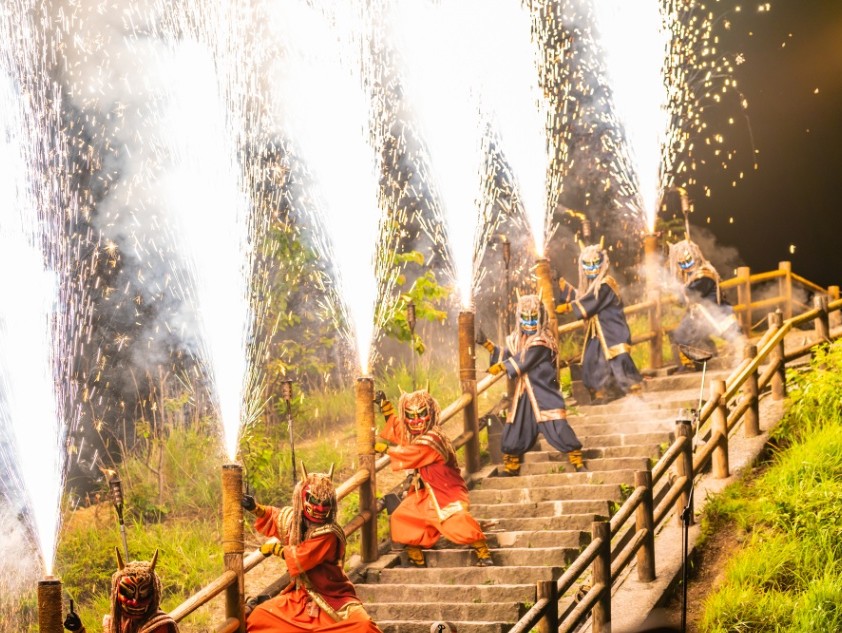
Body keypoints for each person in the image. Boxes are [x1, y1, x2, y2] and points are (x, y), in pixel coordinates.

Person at [242, 465, 382, 633]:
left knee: (363, 626)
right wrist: (255, 508)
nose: (320, 508)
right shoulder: (295, 521)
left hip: (333, 595)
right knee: (259, 617)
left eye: (326, 503)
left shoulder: (329, 534)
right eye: (315, 501)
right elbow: (276, 516)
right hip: (301, 596)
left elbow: (301, 557)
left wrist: (275, 549)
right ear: (302, 498)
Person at [373, 388, 494, 568]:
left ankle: (483, 552)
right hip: (426, 493)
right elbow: (402, 433)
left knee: (456, 520)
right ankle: (416, 556)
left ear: (430, 412)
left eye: (421, 414)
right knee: (403, 516)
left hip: (447, 492)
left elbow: (411, 453)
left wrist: (384, 449)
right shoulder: (419, 435)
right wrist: (386, 408)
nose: (416, 421)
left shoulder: (433, 438)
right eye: (410, 416)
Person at [477, 293, 585, 476]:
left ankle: (577, 460)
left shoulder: (543, 340)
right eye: (525, 318)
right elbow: (510, 354)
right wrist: (487, 344)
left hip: (543, 390)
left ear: (540, 316)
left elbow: (525, 358)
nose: (529, 323)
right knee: (515, 426)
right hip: (525, 392)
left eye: (533, 318)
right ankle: (511, 466)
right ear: (519, 317)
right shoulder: (518, 339)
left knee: (557, 423)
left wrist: (502, 366)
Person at [556, 239, 644, 403]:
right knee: (592, 360)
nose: (592, 269)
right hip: (597, 332)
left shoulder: (606, 283)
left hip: (613, 329)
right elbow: (584, 297)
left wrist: (569, 307)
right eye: (587, 266)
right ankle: (605, 392)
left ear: (602, 263)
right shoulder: (593, 286)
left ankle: (634, 390)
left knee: (619, 358)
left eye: (595, 264)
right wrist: (566, 289)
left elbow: (592, 301)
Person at [667, 238, 742, 371]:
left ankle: (740, 360)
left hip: (714, 312)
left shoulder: (705, 273)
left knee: (734, 337)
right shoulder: (690, 276)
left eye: (688, 261)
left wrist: (678, 291)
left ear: (695, 257)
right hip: (698, 315)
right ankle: (700, 364)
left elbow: (691, 294)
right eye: (682, 264)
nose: (686, 266)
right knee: (681, 335)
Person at [63, 549, 178, 633]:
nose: (135, 602)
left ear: (153, 594)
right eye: (127, 592)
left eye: (143, 594)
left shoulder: (159, 626)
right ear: (116, 592)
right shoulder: (115, 623)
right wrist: (79, 630)